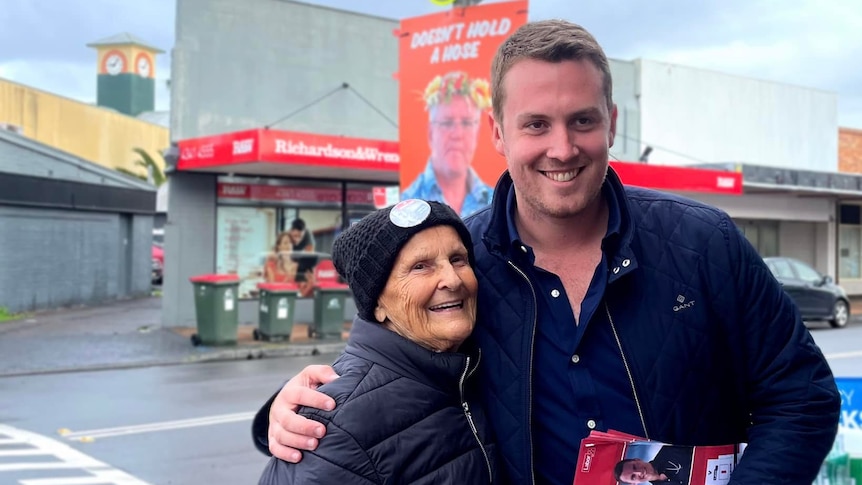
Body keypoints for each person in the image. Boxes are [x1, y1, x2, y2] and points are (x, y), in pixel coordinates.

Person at [252, 19, 840, 485]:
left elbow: (802, 397)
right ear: (498, 132)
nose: (562, 148)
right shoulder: (463, 268)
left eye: (582, 120)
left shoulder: (703, 242)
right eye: (535, 124)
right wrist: (287, 411)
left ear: (610, 122)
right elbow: (386, 377)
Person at [256, 199, 497, 484]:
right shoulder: (333, 426)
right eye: (421, 266)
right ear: (377, 304)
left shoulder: (468, 371)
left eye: (458, 259)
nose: (452, 280)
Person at [401, 70, 494, 217]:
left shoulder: (495, 203)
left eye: (467, 123)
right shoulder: (406, 205)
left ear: (477, 132)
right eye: (447, 123)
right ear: (430, 133)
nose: (457, 134)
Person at [614, 446, 694, 485]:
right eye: (633, 477)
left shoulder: (668, 450)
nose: (638, 472)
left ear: (637, 460)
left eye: (634, 467)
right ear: (634, 483)